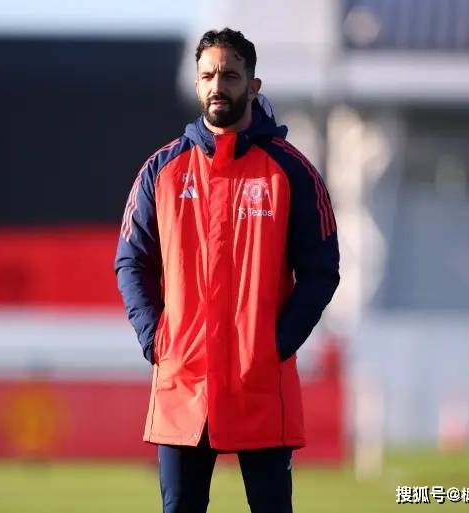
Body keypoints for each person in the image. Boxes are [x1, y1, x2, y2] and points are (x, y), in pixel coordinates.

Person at [114, 28, 340, 513]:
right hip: (183, 383)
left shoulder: (291, 171)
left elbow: (322, 269)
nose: (218, 85)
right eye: (208, 76)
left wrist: (277, 344)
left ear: (253, 86)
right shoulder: (162, 170)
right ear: (197, 84)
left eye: (231, 76)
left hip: (260, 384)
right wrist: (156, 339)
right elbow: (131, 260)